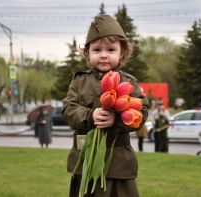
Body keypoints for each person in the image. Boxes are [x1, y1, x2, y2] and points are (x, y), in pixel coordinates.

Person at [62, 15, 148, 197]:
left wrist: (117, 119)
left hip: (118, 164)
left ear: (121, 53)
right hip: (85, 161)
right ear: (87, 53)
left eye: (110, 49)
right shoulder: (79, 81)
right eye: (96, 49)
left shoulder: (129, 82)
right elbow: (68, 109)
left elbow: (141, 114)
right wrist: (90, 115)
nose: (103, 55)